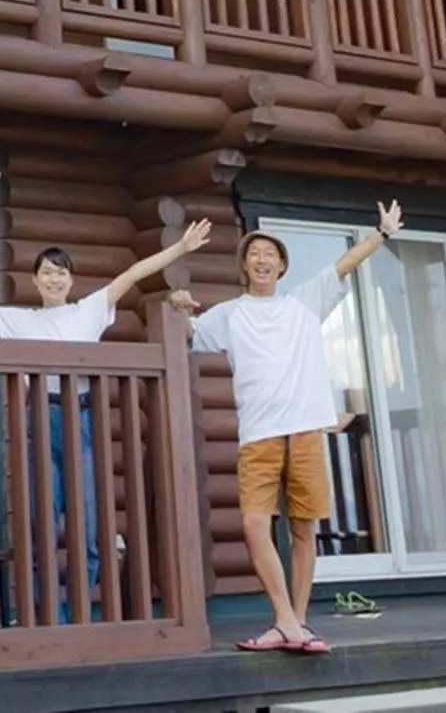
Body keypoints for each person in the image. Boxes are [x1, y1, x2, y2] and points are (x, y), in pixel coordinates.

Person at [0, 219, 215, 621]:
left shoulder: (89, 310)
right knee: (42, 524)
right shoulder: (21, 320)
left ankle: (77, 607)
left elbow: (131, 273)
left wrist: (180, 249)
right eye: (46, 271)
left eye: (60, 272)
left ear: (70, 280)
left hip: (79, 419)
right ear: (35, 280)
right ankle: (53, 616)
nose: (53, 278)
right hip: (39, 420)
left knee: (90, 527)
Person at [167, 200, 403, 656]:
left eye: (269, 255)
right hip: (258, 435)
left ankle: (296, 623)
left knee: (303, 530)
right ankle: (286, 620)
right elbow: (187, 333)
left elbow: (345, 264)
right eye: (253, 254)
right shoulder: (228, 314)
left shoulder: (303, 302)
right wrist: (177, 304)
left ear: (281, 266)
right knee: (255, 523)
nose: (261, 260)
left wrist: (383, 235)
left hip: (306, 431)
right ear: (244, 266)